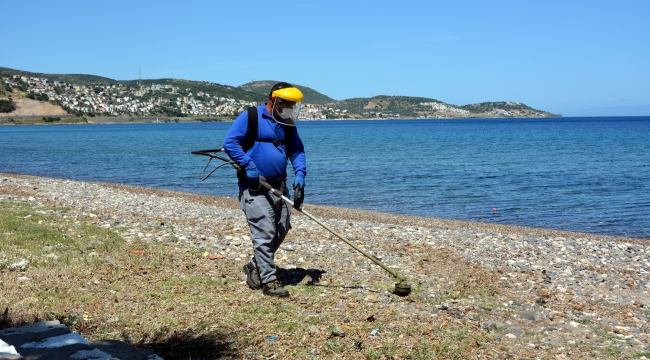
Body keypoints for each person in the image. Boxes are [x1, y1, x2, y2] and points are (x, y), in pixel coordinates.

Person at [223, 82, 306, 298]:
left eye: (292, 104)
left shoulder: (287, 123)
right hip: (255, 187)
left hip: (279, 186)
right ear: (274, 100)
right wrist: (249, 165)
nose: (289, 107)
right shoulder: (251, 116)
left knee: (282, 228)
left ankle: (254, 265)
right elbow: (230, 143)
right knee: (264, 232)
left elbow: (296, 150)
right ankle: (269, 281)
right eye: (286, 103)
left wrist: (300, 174)